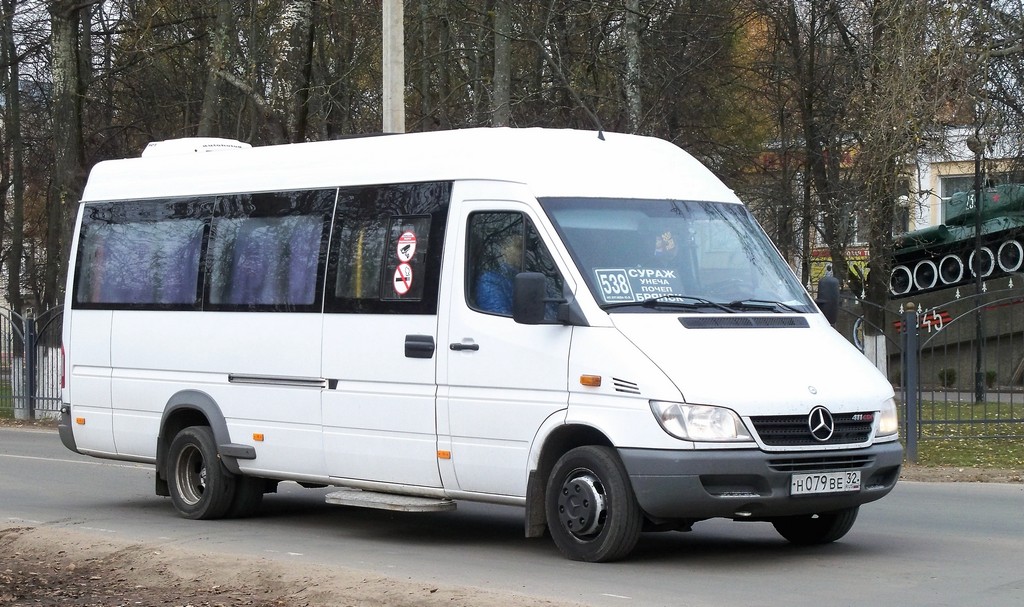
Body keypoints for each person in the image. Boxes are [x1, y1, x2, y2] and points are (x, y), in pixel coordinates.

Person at [474, 231, 523, 315]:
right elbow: (501, 316)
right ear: (504, 249)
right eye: (519, 247)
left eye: (525, 248)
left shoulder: (525, 275)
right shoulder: (489, 281)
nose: (523, 252)